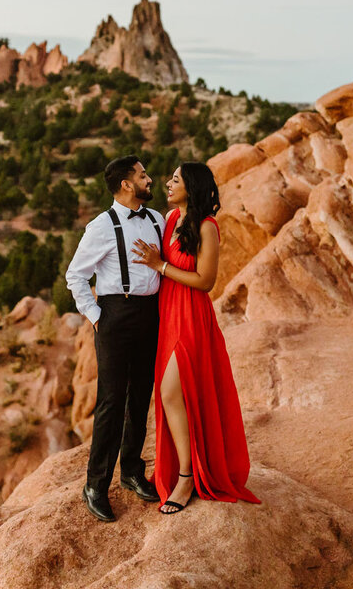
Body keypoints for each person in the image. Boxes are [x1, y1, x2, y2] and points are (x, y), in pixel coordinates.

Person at [130, 162, 260, 514]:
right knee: (173, 393)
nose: (168, 184)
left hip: (191, 315)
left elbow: (206, 282)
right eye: (169, 178)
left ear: (193, 187)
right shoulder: (170, 220)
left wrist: (160, 266)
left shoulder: (207, 227)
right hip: (167, 314)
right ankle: (184, 468)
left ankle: (187, 476)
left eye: (176, 179)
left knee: (171, 391)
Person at [65, 155, 165, 522]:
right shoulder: (101, 227)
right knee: (110, 401)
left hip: (151, 314)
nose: (149, 179)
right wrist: (96, 318)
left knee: (141, 396)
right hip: (115, 315)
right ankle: (95, 484)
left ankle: (132, 472)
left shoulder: (156, 219)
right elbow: (75, 276)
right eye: (143, 175)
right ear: (126, 184)